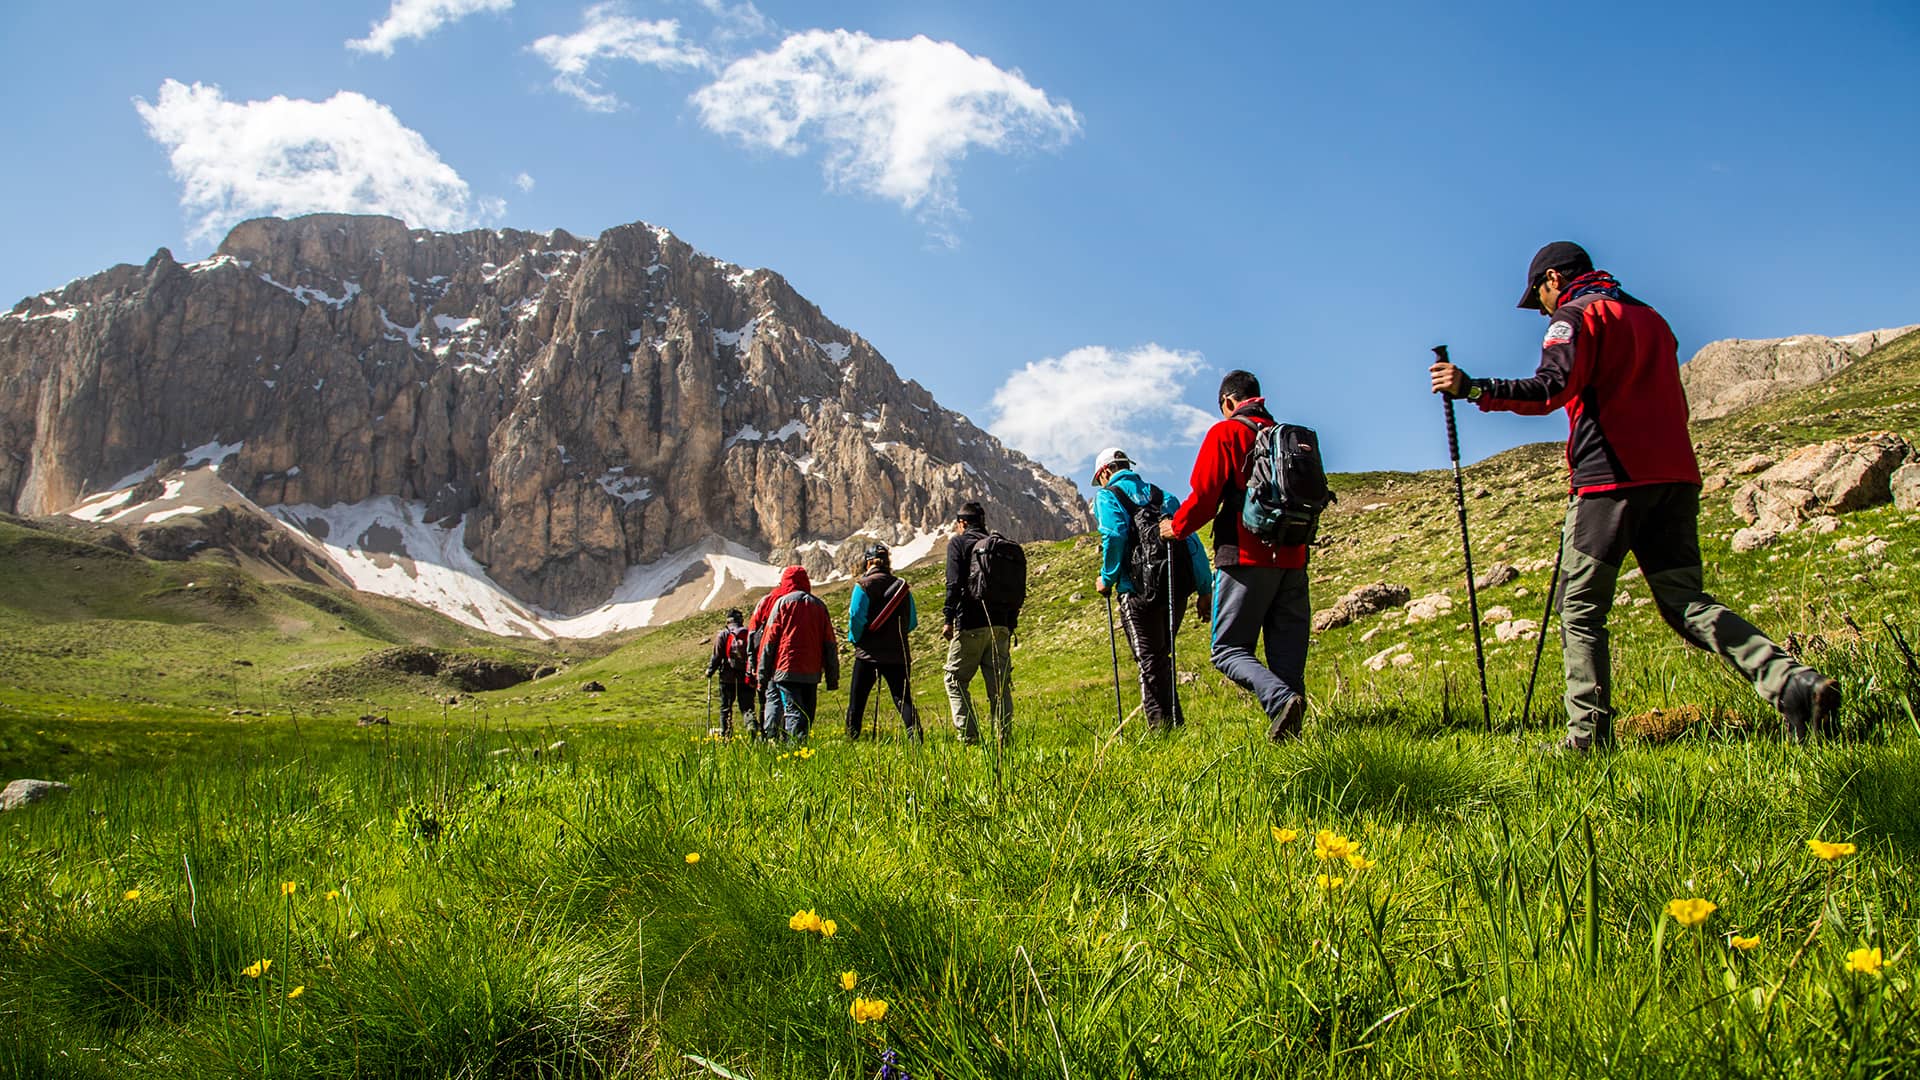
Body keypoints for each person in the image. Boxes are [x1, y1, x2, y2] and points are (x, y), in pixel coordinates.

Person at [1428, 240, 1842, 750]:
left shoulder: (1576, 318)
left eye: (1539, 298)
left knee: (1580, 607)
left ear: (1553, 279)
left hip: (1611, 482)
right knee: (1686, 601)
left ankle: (1587, 740)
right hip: (1675, 478)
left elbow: (1550, 388)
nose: (1542, 310)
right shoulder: (1653, 319)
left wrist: (1473, 388)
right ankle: (1790, 683)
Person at [1158, 371, 1313, 742]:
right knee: (1286, 658)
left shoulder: (1225, 432)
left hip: (1245, 556)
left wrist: (1175, 528)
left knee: (1227, 649)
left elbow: (1205, 497)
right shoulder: (1284, 436)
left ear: (1228, 402)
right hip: (1293, 558)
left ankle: (1280, 700)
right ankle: (1293, 746)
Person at [1092, 448, 1213, 731]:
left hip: (1135, 591)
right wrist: (1205, 589)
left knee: (1149, 661)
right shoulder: (1162, 497)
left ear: (1105, 472)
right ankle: (1175, 725)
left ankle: (1161, 731)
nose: (1101, 485)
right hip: (1174, 588)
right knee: (1162, 658)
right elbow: (1190, 540)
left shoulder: (1108, 496)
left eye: (1099, 480)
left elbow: (1114, 535)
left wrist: (1106, 578)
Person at [942, 502, 1015, 744]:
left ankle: (969, 737)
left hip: (971, 623)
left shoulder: (958, 543)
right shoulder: (998, 544)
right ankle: (1004, 740)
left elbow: (953, 584)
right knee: (999, 686)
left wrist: (948, 619)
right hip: (1001, 625)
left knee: (954, 679)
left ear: (962, 522)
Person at [845, 542, 922, 741]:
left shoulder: (863, 586)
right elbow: (911, 621)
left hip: (868, 655)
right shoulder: (902, 587)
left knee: (857, 700)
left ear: (868, 562)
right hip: (897, 653)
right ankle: (915, 735)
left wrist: (855, 638)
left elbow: (856, 616)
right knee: (902, 698)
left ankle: (852, 738)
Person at [755, 566, 839, 740]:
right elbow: (830, 644)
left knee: (794, 714)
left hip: (786, 671)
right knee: (806, 716)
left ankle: (793, 755)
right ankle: (798, 751)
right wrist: (832, 677)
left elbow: (768, 643)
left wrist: (762, 677)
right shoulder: (819, 606)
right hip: (811, 672)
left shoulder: (781, 604)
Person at [704, 608, 753, 737]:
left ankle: (726, 736)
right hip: (745, 677)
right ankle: (751, 725)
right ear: (741, 620)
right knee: (747, 706)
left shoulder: (723, 634)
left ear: (728, 621)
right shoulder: (748, 633)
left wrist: (710, 671)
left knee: (726, 708)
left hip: (727, 678)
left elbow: (716, 656)